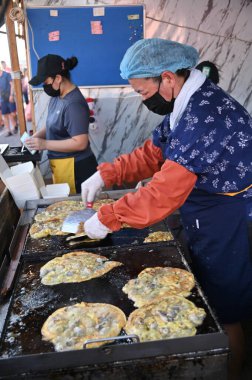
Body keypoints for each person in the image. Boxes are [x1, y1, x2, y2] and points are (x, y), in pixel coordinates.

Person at [81, 38, 252, 379]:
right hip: (206, 209)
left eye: (143, 93)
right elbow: (153, 152)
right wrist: (107, 173)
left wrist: (109, 217)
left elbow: (164, 193)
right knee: (214, 292)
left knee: (225, 304)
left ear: (168, 79)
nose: (143, 100)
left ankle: (235, 368)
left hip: (226, 215)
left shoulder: (204, 116)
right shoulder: (184, 105)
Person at [26, 54, 98, 194]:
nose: (45, 87)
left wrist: (44, 144)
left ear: (58, 78)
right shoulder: (57, 96)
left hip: (76, 167)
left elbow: (80, 143)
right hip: (61, 165)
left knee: (75, 210)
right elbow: (52, 124)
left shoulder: (73, 103)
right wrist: (35, 137)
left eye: (46, 82)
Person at [0, 63, 18, 136]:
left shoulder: (6, 74)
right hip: (2, 99)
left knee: (12, 114)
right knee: (5, 114)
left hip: (9, 97)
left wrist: (11, 95)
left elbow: (12, 85)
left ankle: (15, 125)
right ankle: (9, 131)